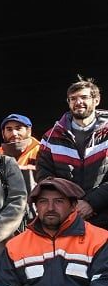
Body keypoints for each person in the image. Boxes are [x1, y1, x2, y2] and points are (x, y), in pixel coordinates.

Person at [36, 76, 108, 230]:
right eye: (73, 99)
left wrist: (91, 203)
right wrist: (70, 204)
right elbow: (44, 176)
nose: (78, 102)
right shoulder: (50, 137)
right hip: (67, 218)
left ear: (96, 100)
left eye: (84, 97)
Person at [0, 113, 40, 195]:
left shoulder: (42, 151)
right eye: (9, 129)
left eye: (18, 129)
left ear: (29, 131)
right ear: (3, 133)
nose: (14, 133)